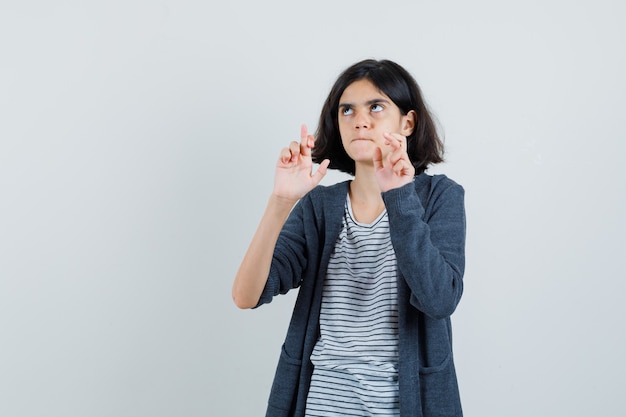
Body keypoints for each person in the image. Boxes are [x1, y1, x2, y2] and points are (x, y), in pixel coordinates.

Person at [232, 59, 466, 417]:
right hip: (322, 405)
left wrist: (400, 196)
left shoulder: (439, 197)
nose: (360, 119)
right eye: (347, 110)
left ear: (408, 122)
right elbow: (246, 296)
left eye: (376, 106)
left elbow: (439, 300)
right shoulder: (320, 206)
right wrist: (281, 202)